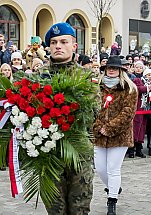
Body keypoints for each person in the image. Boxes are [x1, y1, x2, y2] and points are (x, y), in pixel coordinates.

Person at [42, 22, 94, 215]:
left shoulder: (86, 77)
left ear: (74, 46)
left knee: (79, 209)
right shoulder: (39, 77)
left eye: (63, 41)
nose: (58, 46)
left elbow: (93, 114)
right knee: (55, 210)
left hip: (78, 157)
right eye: (54, 42)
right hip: (48, 157)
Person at [93, 55, 137, 215]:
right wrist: (99, 127)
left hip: (120, 136)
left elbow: (127, 113)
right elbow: (91, 110)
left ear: (120, 70)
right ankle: (114, 187)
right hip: (98, 134)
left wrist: (109, 128)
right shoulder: (96, 87)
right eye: (108, 68)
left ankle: (112, 200)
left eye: (114, 68)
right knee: (100, 168)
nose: (111, 70)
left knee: (113, 168)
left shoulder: (129, 89)